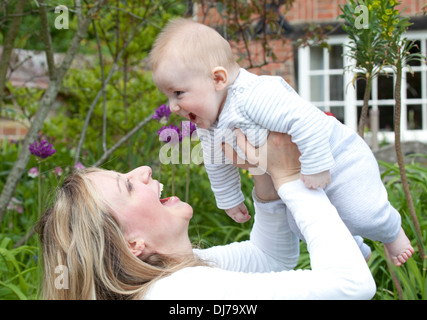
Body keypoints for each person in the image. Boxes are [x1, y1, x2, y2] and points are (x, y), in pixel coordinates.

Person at [148, 18, 414, 267]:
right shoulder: (209, 122)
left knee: (361, 213)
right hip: (294, 173)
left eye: (178, 93)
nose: (173, 107)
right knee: (299, 223)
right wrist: (229, 198)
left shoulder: (255, 95)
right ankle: (355, 249)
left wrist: (316, 165)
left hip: (337, 157)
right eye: (169, 97)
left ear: (218, 79)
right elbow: (216, 161)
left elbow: (305, 120)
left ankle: (391, 231)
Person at [36, 131, 375, 300]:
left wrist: (264, 177)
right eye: (127, 186)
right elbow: (352, 285)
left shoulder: (169, 279)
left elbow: (270, 257)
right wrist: (291, 178)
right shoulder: (182, 293)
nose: (143, 169)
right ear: (132, 244)